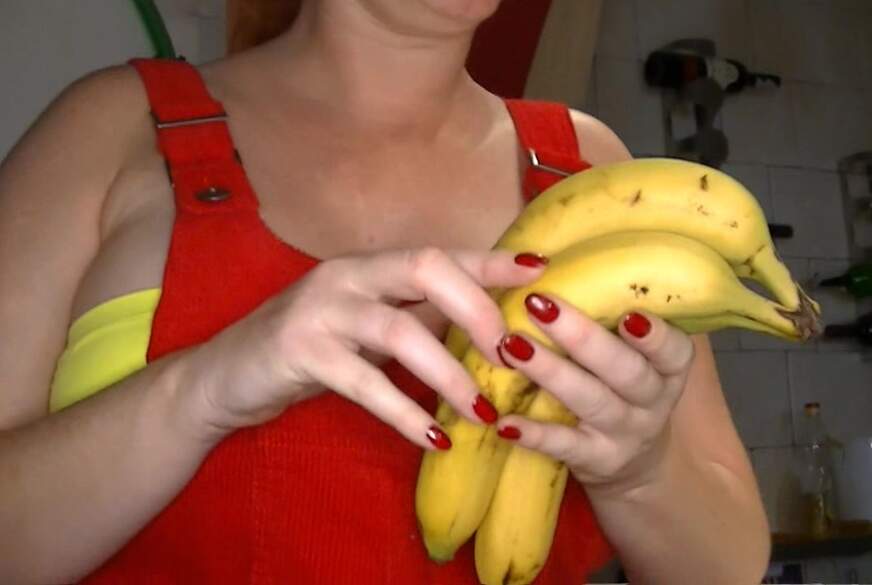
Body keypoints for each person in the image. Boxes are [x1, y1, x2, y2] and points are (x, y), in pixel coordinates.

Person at [0, 1, 771, 583]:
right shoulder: (108, 130)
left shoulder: (596, 176)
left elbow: (731, 566)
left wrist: (640, 473)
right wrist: (200, 389)